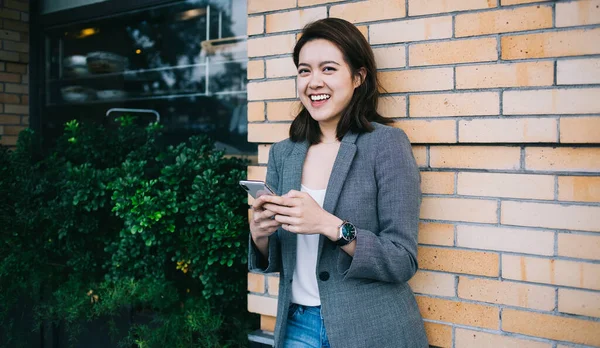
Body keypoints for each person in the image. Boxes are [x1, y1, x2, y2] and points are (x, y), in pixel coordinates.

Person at [248, 18, 428, 348]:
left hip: (370, 329)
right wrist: (259, 234)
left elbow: (402, 259)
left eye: (328, 69)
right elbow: (276, 257)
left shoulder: (385, 145)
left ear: (358, 77)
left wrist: (329, 225)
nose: (313, 82)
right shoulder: (283, 153)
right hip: (296, 326)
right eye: (304, 71)